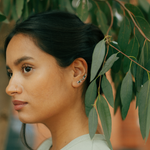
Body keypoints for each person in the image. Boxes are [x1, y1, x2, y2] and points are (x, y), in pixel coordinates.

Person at [4, 11, 110, 150]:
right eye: (10, 73)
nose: (10, 88)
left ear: (77, 72)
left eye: (27, 69)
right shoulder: (47, 146)